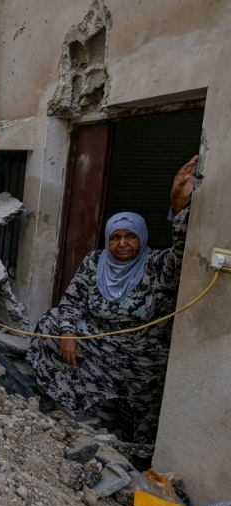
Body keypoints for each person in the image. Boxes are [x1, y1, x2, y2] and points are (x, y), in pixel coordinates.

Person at [26, 156, 198, 443]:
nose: (122, 243)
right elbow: (71, 301)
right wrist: (68, 333)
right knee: (51, 323)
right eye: (115, 237)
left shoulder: (159, 265)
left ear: (142, 238)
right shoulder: (95, 261)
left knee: (139, 415)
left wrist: (179, 206)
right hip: (97, 342)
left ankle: (129, 437)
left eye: (130, 236)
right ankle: (66, 400)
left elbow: (184, 251)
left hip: (140, 357)